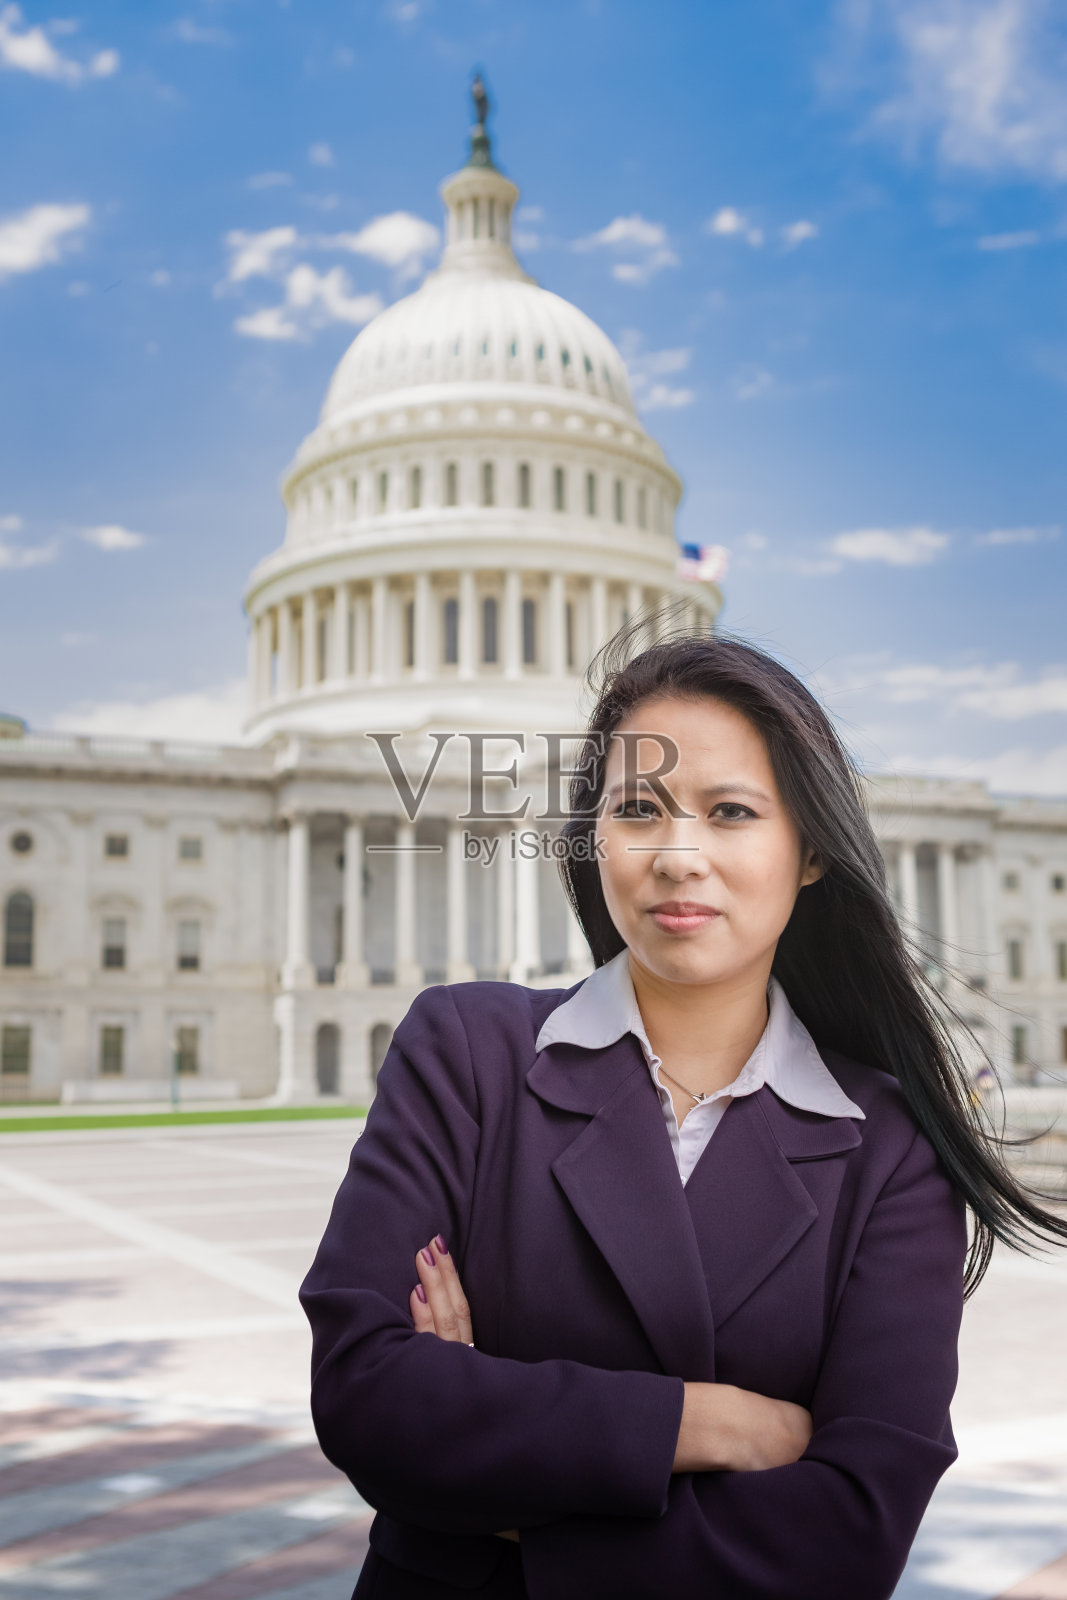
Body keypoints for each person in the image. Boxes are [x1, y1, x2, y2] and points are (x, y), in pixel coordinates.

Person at [300, 626, 1067, 1600]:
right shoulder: (466, 1052)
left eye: (731, 810)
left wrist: (493, 1503)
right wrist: (708, 1425)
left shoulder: (889, 1145)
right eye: (636, 809)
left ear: (811, 852)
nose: (676, 854)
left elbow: (850, 1539)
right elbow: (368, 1399)